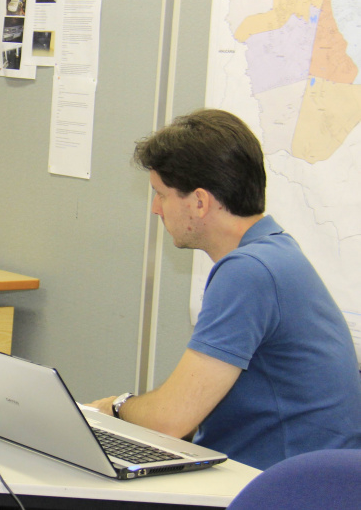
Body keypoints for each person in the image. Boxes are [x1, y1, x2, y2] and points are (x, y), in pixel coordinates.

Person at [87, 109, 361, 470]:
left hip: (277, 485)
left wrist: (114, 407)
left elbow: (171, 419)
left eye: (161, 194)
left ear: (199, 202)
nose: (155, 208)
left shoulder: (248, 272)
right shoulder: (274, 251)